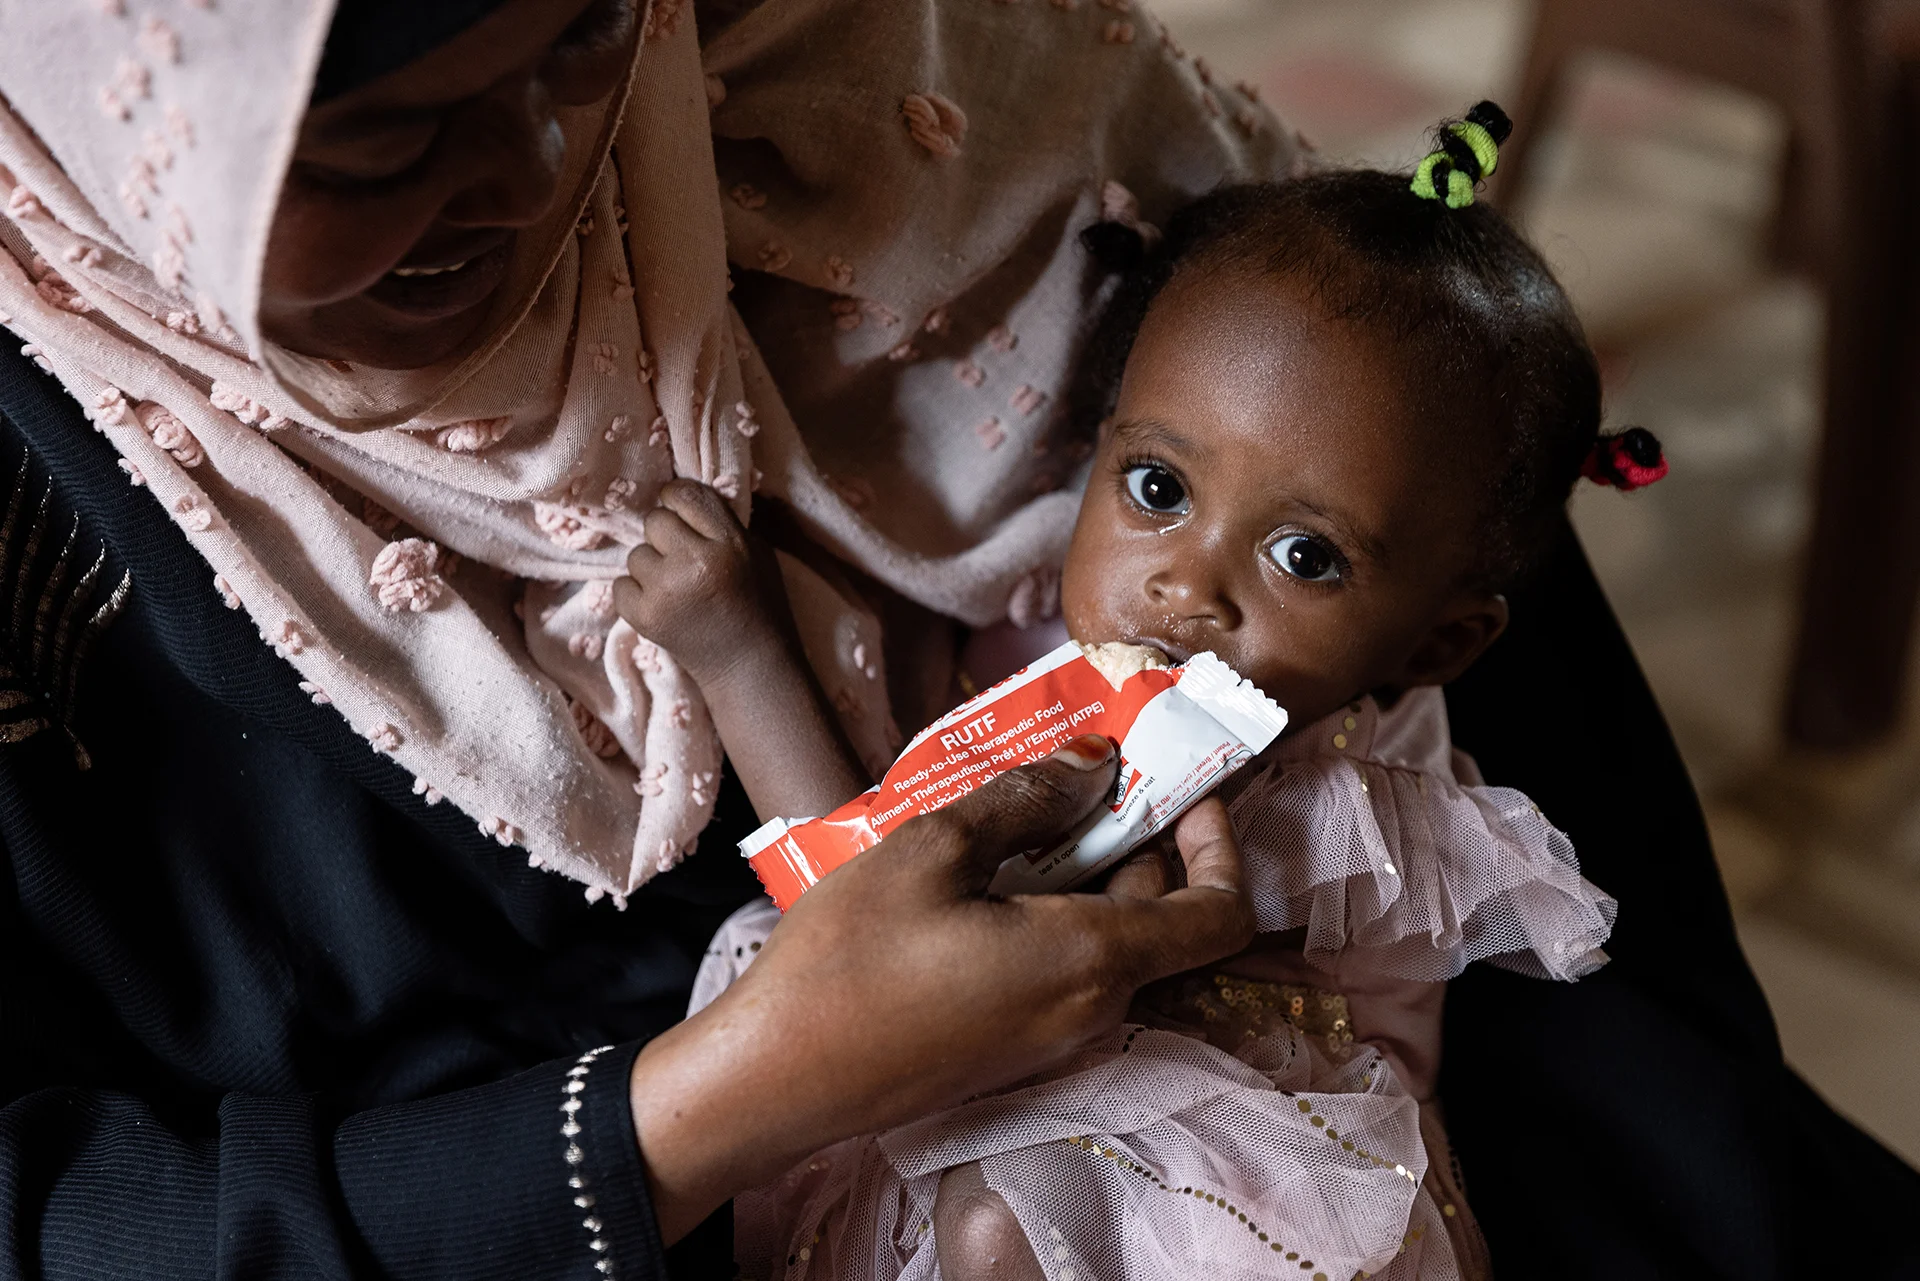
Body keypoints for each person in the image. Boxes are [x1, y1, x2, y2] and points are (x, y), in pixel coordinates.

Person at [0, 2, 1913, 1279]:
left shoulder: (891, 86)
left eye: (586, 37)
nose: (531, 168)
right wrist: (738, 1091)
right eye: (369, 143)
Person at [625, 103, 1653, 1280]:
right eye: (1157, 486)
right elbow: (858, 912)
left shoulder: (1329, 807)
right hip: (954, 1123)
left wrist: (739, 654)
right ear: (1090, 453)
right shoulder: (1015, 655)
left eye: (1303, 557)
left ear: (1435, 644)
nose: (1185, 585)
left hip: (1231, 1187)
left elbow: (859, 907)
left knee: (999, 1229)